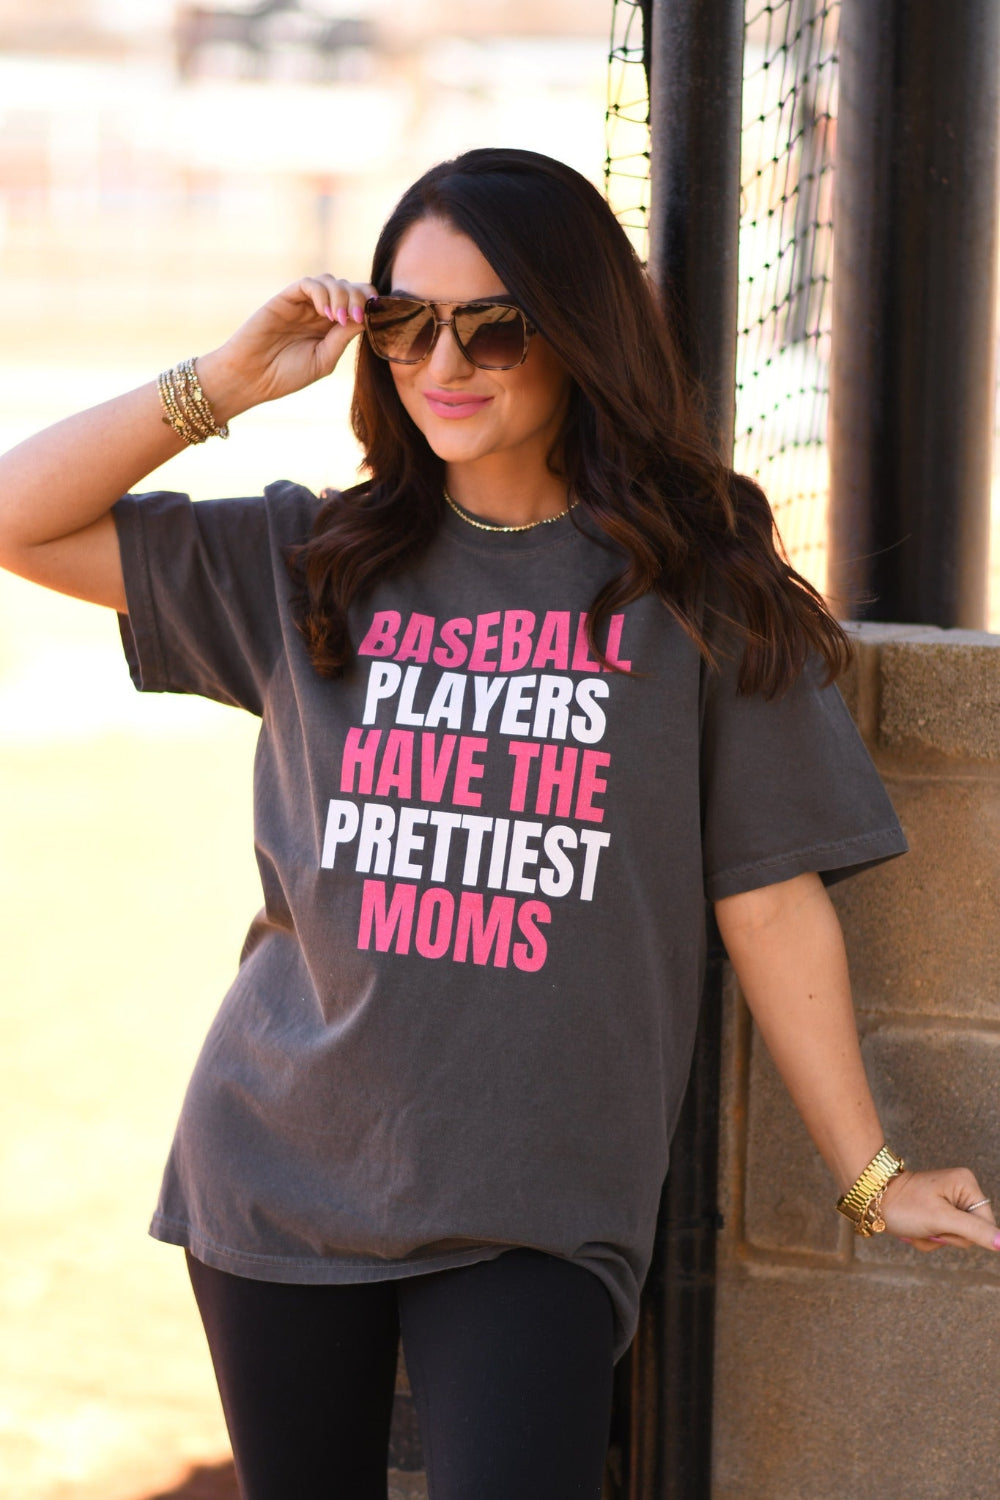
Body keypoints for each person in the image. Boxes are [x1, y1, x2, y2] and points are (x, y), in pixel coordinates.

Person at [0, 147, 995, 1500]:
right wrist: (227, 383)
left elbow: (766, 895)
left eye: (495, 325)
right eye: (409, 323)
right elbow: (17, 517)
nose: (445, 363)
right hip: (279, 1178)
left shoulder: (691, 593)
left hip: (538, 1213)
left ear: (576, 337)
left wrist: (871, 1175)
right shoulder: (310, 563)